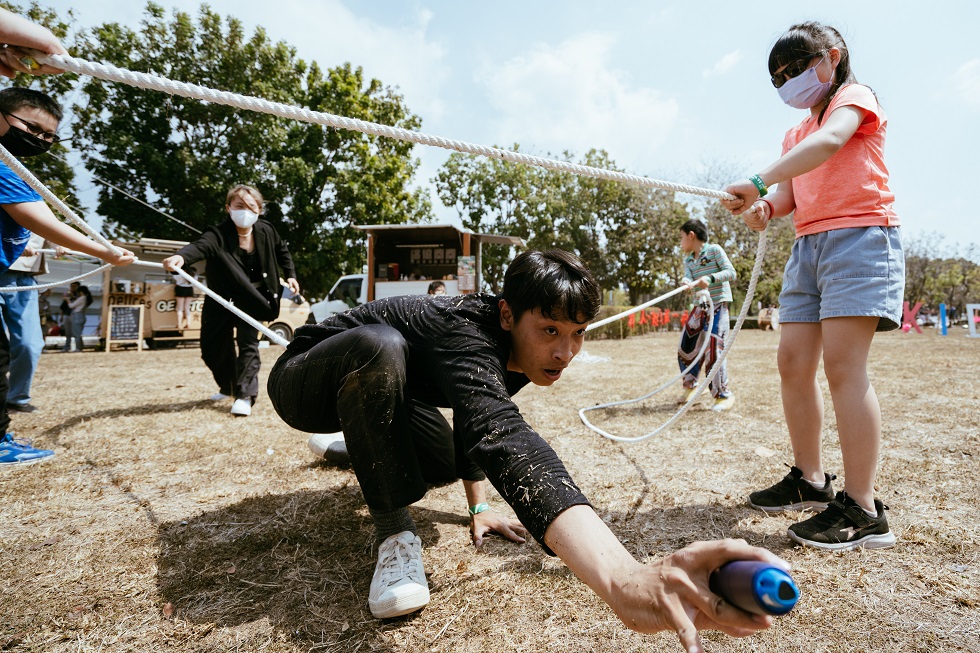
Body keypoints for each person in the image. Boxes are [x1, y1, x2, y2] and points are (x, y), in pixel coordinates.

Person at [268, 249, 786, 650]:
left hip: (393, 396)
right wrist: (624, 579)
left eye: (577, 333)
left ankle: (352, 445)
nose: (564, 352)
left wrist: (479, 505)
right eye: (549, 331)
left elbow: (474, 423)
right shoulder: (464, 331)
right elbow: (500, 432)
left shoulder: (520, 353)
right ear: (506, 315)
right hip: (307, 378)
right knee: (381, 345)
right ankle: (394, 534)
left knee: (443, 460)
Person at [721, 22, 903, 551]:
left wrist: (756, 181)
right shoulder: (792, 135)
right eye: (778, 76)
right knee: (792, 363)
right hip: (808, 248)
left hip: (860, 240)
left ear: (832, 57)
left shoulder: (855, 97)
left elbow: (829, 143)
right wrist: (764, 208)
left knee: (844, 368)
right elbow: (790, 195)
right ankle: (810, 479)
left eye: (796, 68)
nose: (788, 80)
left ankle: (864, 510)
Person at [0, 85, 134, 466]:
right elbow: (46, 221)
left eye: (49, 136)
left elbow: (38, 221)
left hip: (11, 274)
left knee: (18, 347)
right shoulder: (2, 168)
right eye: (33, 128)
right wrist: (104, 251)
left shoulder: (13, 169)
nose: (40, 140)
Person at [162, 184, 299, 418]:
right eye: (239, 206)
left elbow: (282, 251)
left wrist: (291, 274)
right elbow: (199, 246)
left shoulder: (266, 230)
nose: (245, 211)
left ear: (259, 210)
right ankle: (228, 386)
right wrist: (180, 257)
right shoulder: (217, 234)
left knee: (248, 345)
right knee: (212, 348)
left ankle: (245, 395)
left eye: (251, 206)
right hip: (220, 299)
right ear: (228, 208)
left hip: (253, 299)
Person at [676, 219, 736, 411]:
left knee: (713, 347)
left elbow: (731, 272)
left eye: (681, 237)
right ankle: (691, 386)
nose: (681, 242)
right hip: (699, 306)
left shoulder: (715, 251)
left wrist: (710, 278)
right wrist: (687, 282)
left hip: (718, 305)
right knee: (686, 345)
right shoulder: (689, 259)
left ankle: (722, 395)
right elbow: (688, 275)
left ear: (691, 235)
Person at [0, 233, 48, 411]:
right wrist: (13, 243)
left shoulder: (43, 205)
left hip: (25, 278)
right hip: (2, 266)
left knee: (30, 344)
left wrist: (61, 243)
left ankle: (17, 397)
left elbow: (49, 226)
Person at [61, 281, 90, 352]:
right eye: (71, 286)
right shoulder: (82, 297)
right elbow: (63, 306)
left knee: (76, 332)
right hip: (72, 315)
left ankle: (77, 348)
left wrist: (68, 299)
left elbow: (71, 306)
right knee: (72, 332)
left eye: (74, 286)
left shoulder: (81, 297)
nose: (72, 288)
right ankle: (75, 347)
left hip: (76, 315)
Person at [171, 264, 196, 330]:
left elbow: (174, 277)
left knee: (180, 308)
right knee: (187, 307)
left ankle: (179, 324)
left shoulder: (179, 274)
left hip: (181, 289)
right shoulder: (194, 275)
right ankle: (188, 324)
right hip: (190, 289)